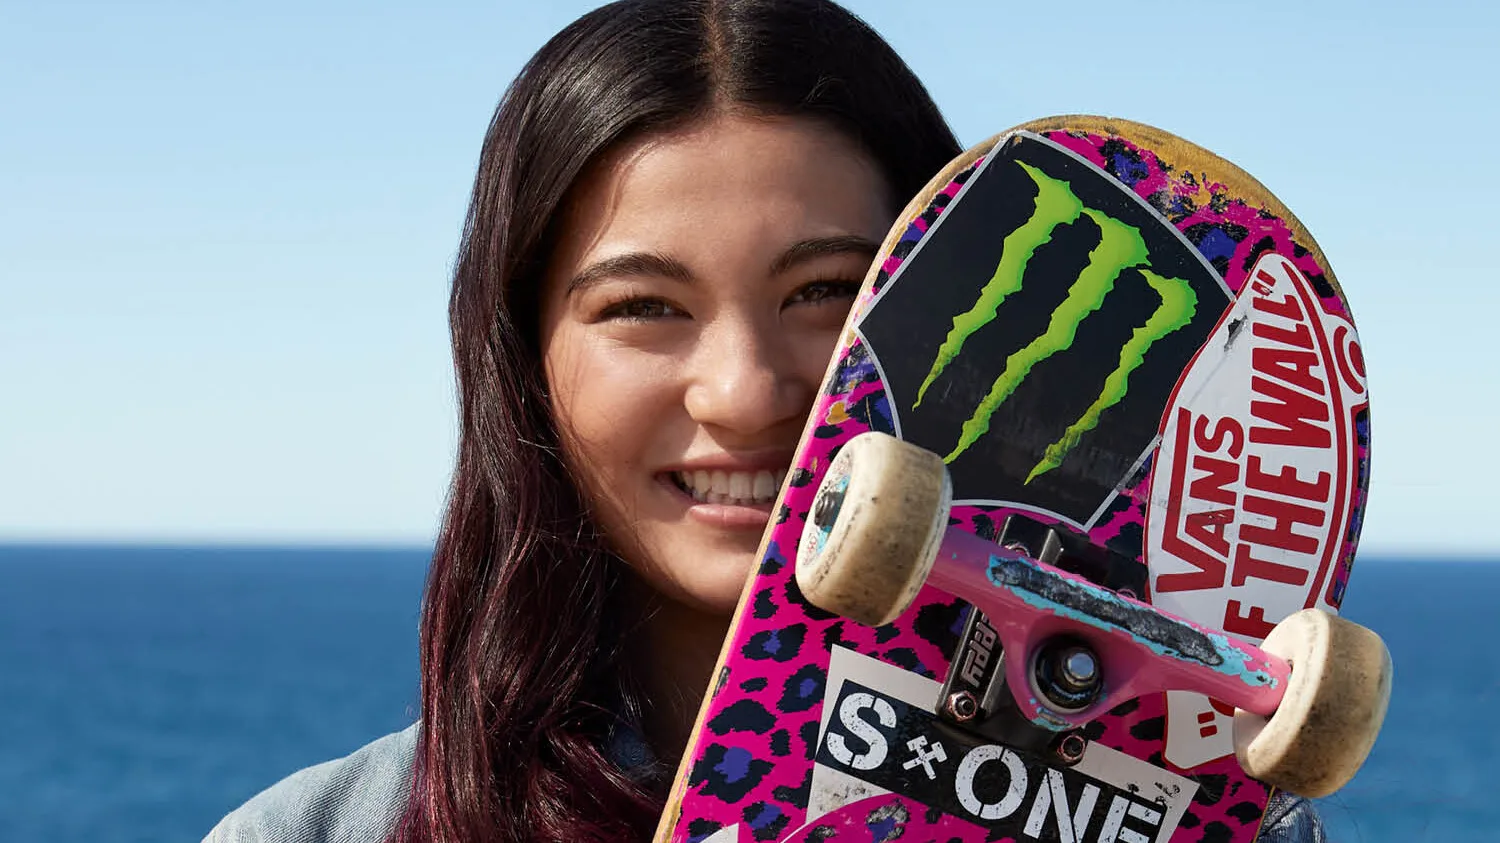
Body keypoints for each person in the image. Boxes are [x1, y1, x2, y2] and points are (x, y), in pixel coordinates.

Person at [202, 1, 1327, 841]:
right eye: (644, 307)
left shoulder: (1188, 820)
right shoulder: (318, 834)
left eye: (828, 294)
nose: (744, 393)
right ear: (524, 364)